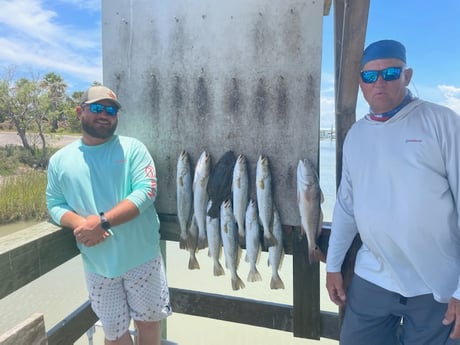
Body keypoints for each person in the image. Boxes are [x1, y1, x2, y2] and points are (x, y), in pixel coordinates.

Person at [326, 39, 460, 345]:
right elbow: (346, 208)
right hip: (372, 279)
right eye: (370, 76)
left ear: (407, 75)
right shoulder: (356, 136)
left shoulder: (443, 123)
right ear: (360, 82)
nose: (379, 83)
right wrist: (333, 266)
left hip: (436, 285)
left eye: (390, 73)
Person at [46, 85, 172, 345]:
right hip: (98, 264)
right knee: (114, 333)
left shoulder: (133, 149)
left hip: (143, 258)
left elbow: (147, 191)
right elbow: (54, 203)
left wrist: (102, 221)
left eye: (111, 110)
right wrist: (82, 224)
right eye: (97, 108)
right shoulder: (60, 160)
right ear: (80, 112)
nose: (104, 114)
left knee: (149, 323)